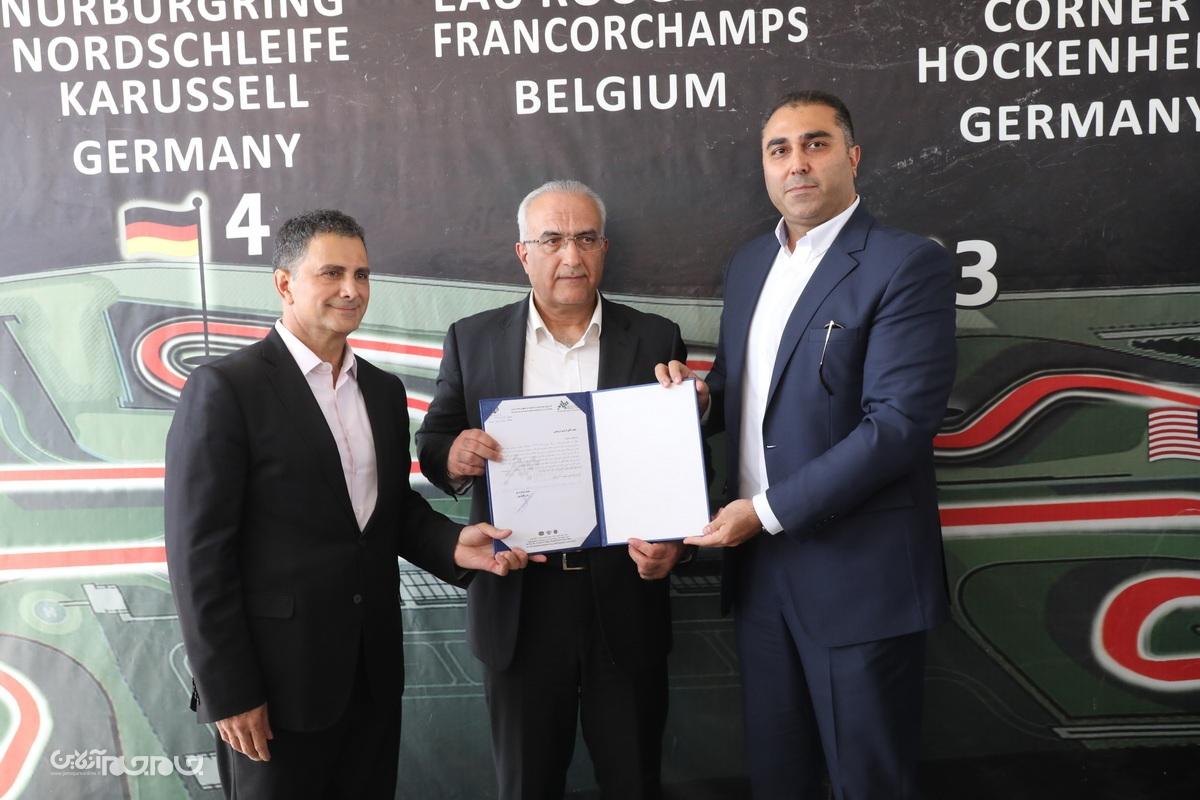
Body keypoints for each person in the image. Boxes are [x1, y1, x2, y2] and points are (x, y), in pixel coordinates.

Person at [164, 209, 534, 800]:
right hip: (274, 691)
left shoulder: (383, 391)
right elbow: (197, 557)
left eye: (361, 274)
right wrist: (228, 692)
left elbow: (386, 513)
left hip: (371, 677)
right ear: (285, 284)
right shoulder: (227, 388)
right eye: (331, 273)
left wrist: (453, 544)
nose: (351, 289)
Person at [657, 90, 957, 799]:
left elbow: (897, 427)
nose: (797, 163)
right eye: (779, 149)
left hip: (858, 578)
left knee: (867, 782)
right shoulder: (748, 265)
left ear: (852, 157)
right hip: (760, 576)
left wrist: (762, 513)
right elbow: (742, 388)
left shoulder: (906, 263)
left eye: (815, 144)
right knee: (778, 778)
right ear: (765, 168)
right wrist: (700, 401)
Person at [416, 180, 687, 800]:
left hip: (625, 594)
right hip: (519, 598)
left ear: (604, 249)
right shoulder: (472, 338)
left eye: (586, 239)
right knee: (527, 785)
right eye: (552, 240)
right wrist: (454, 455)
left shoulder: (655, 337)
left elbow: (676, 463)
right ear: (523, 253)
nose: (571, 255)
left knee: (635, 781)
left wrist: (675, 546)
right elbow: (432, 442)